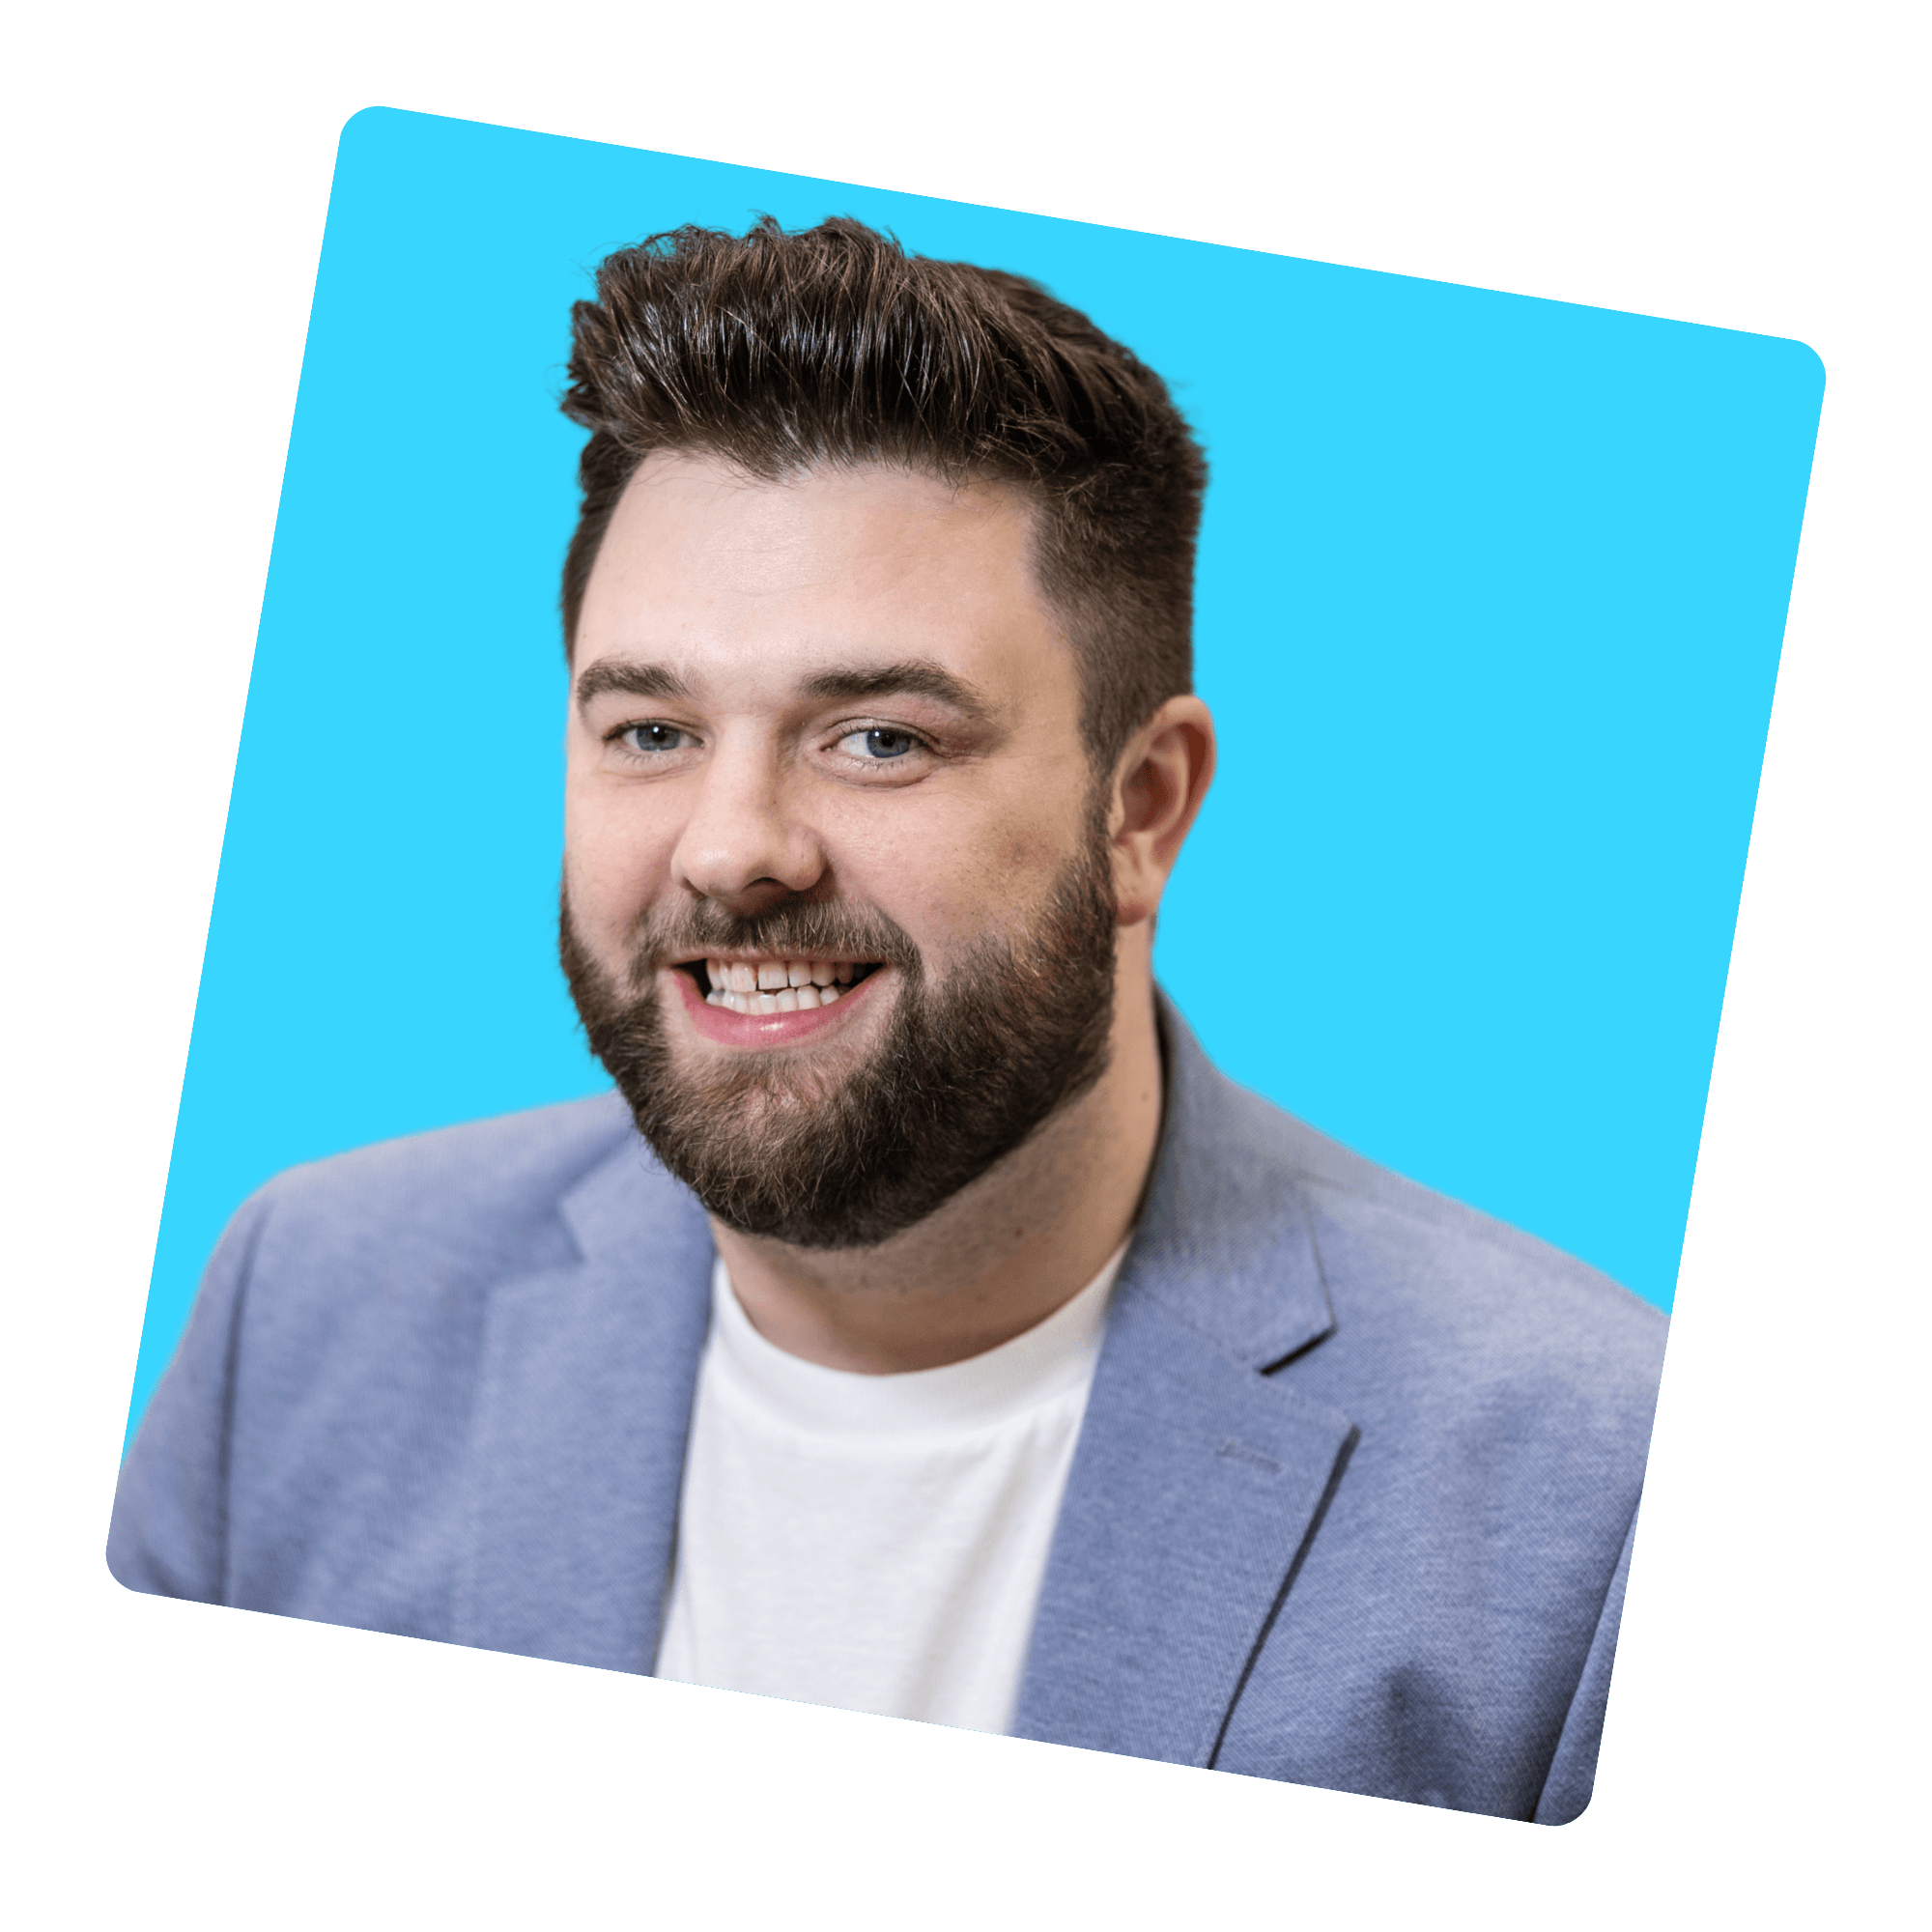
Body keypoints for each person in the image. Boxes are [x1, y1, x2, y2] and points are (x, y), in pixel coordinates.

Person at [109, 215, 1665, 1825]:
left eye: (877, 741)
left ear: (1140, 808)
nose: (729, 848)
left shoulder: (1594, 1494)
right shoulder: (302, 1313)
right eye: (650, 729)